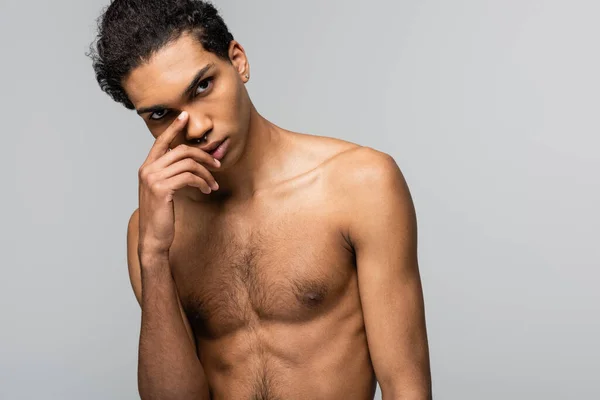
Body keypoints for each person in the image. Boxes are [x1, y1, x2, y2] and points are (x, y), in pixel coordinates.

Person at [87, 1, 432, 399]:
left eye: (202, 86)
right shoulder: (151, 232)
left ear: (239, 61)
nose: (196, 128)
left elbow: (407, 388)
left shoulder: (359, 185)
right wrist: (153, 254)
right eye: (162, 114)